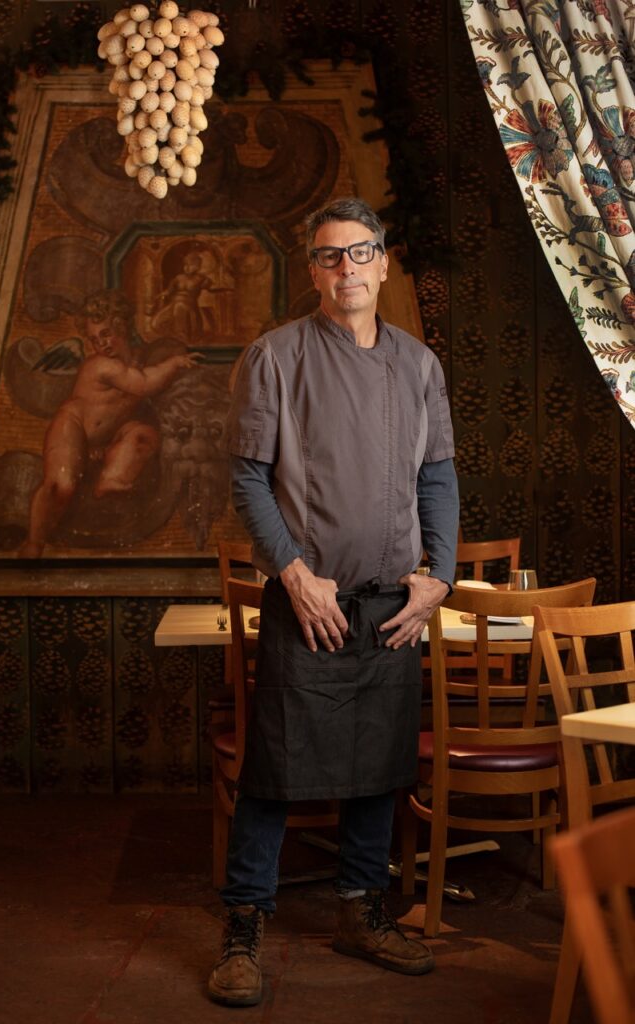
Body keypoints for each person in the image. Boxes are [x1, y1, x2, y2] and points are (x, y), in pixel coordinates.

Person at [208, 197, 459, 1007]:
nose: (345, 268)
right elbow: (247, 475)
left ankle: (362, 910)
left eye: (359, 253)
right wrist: (291, 572)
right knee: (273, 773)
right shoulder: (275, 356)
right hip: (307, 601)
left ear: (384, 262)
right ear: (312, 271)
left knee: (377, 772)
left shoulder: (419, 366)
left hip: (393, 605)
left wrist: (440, 575)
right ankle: (242, 928)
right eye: (328, 256)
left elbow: (436, 477)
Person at [19, 289, 200, 557]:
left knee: (144, 434)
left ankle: (111, 482)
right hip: (73, 427)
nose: (101, 344)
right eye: (94, 339)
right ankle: (34, 542)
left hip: (106, 436)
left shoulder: (136, 360)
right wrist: (174, 363)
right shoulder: (102, 366)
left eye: (106, 334)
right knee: (61, 485)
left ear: (121, 326)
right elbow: (144, 384)